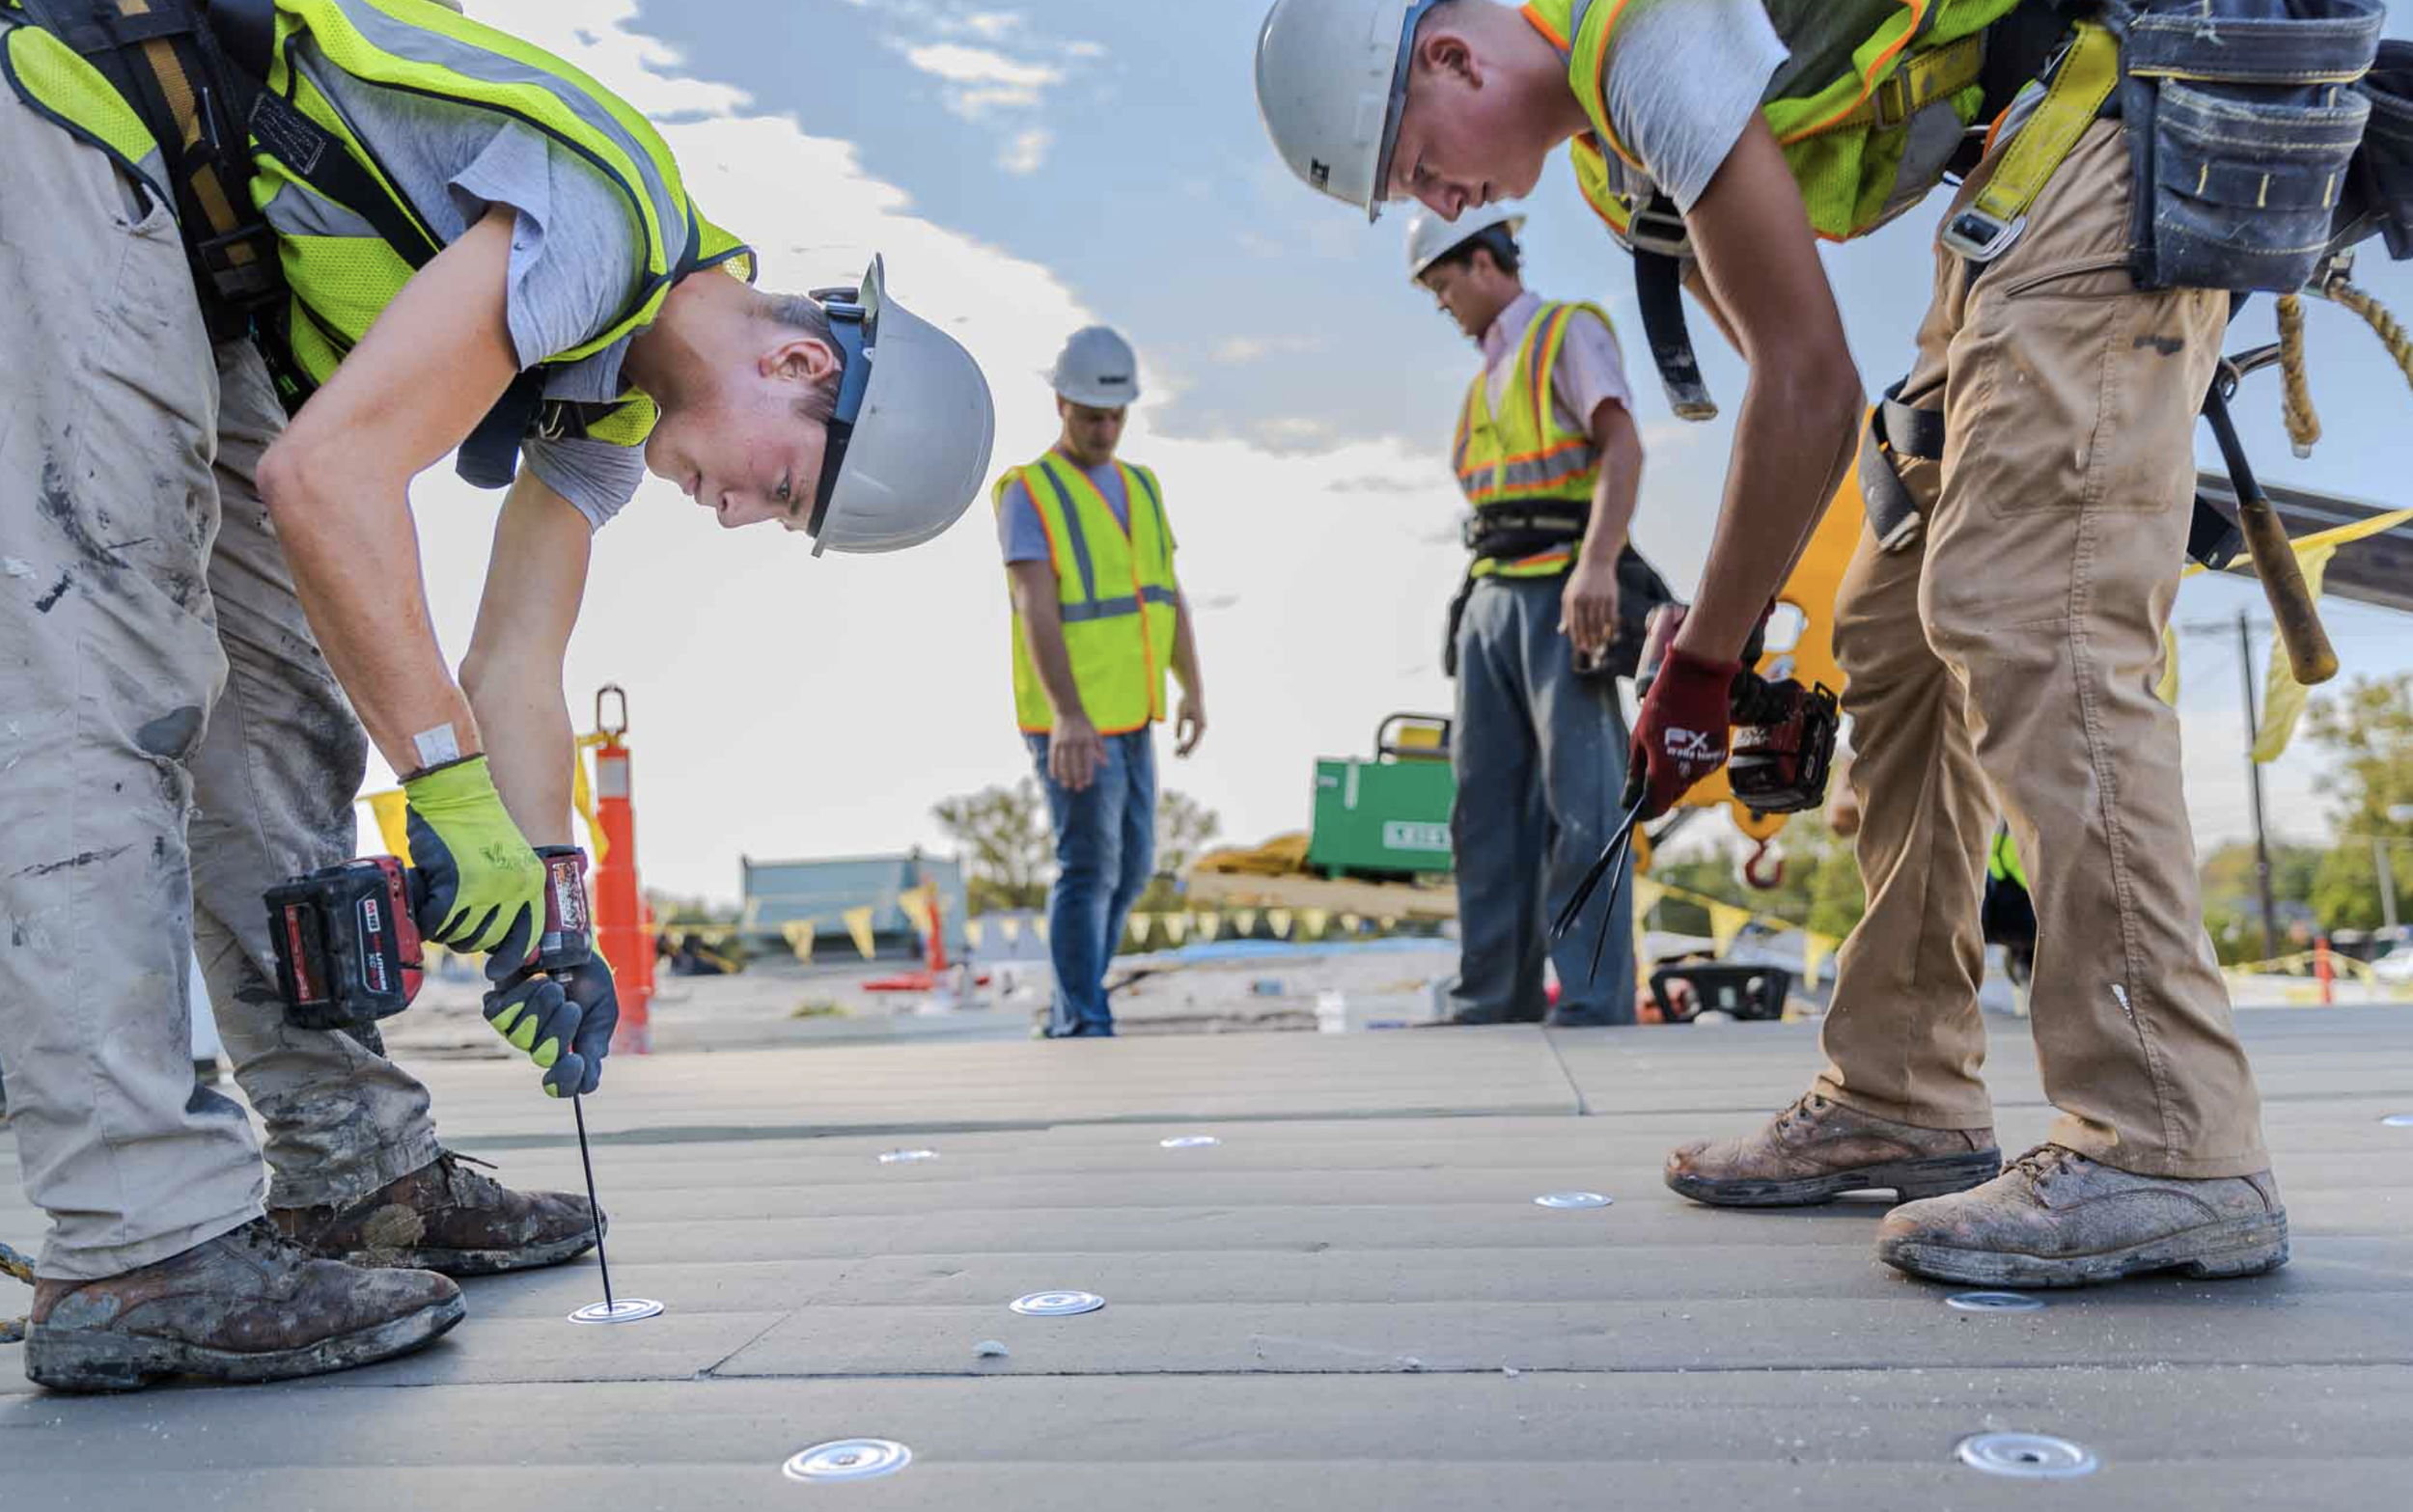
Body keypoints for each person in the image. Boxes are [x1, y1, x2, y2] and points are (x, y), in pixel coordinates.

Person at [0, 0, 995, 1390]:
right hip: (86, 135)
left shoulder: (607, 410)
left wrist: (548, 911)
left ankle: (353, 1173)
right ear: (800, 361)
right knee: (106, 656)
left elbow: (512, 663)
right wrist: (443, 783)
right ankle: (136, 1241)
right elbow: (329, 481)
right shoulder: (608, 222)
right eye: (779, 488)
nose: (735, 516)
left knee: (281, 702)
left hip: (208, 257)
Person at [1253, 0, 2327, 1287]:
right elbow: (1794, 383)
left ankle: (2171, 1136)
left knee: (2031, 600)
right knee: (1891, 620)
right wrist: (1722, 643)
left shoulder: (1637, 38)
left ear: (1448, 57)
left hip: (2115, 122)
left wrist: (1702, 665)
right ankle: (1905, 1086)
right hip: (2022, 178)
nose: (1435, 201)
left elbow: (1810, 387)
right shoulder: (1612, 147)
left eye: (1414, 163)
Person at [1406, 202, 1662, 1026]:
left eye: (1444, 284)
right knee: (1483, 812)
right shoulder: (1487, 374)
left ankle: (1591, 1004)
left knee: (1581, 806)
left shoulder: (1564, 334)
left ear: (1484, 264)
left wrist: (1596, 564)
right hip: (1489, 598)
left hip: (1563, 594)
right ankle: (1491, 997)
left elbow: (1622, 446)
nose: (1441, 305)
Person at [996, 327, 1206, 1038]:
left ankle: (1072, 1005)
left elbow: (1166, 594)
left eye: (1116, 416)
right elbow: (1036, 607)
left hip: (1131, 714)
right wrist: (1069, 716)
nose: (1105, 429)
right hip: (1072, 719)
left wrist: (1193, 688)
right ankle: (1082, 1017)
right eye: (1092, 415)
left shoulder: (1143, 486)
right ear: (1060, 402)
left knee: (1133, 866)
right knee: (1087, 867)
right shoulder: (1030, 493)